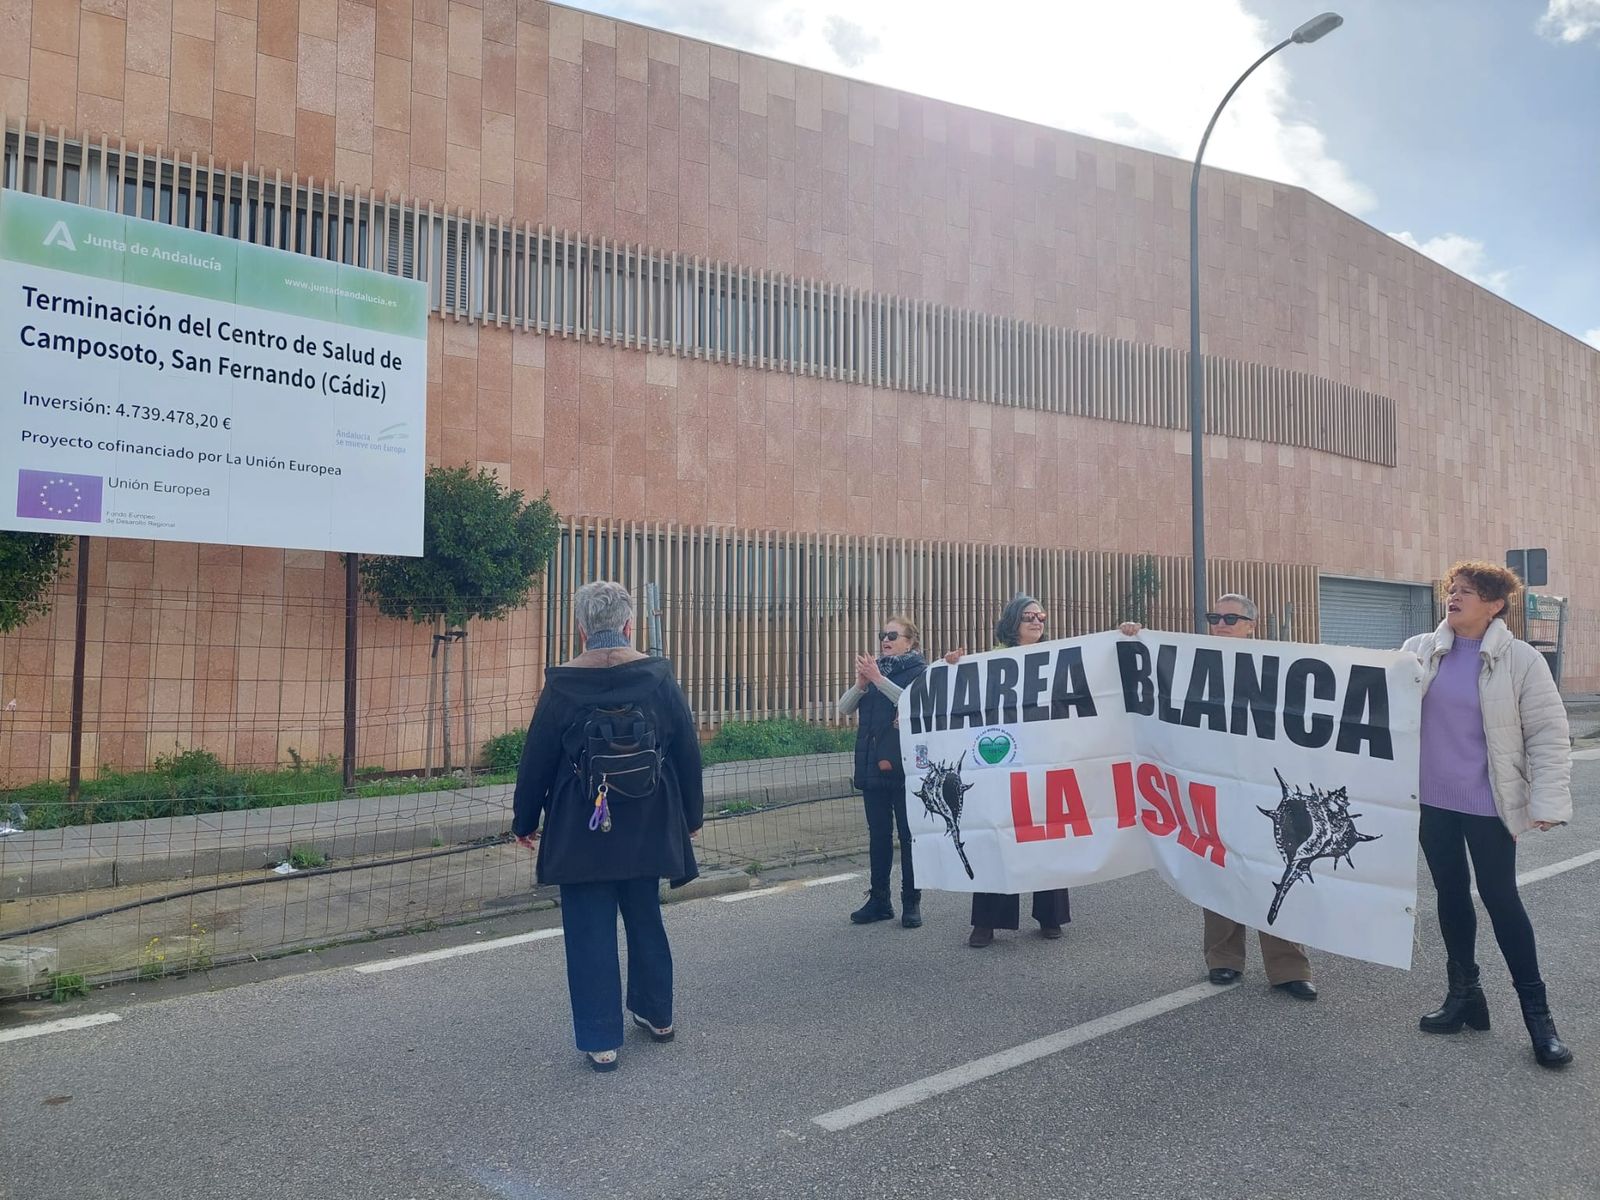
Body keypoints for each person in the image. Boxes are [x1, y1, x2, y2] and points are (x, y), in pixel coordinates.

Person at [511, 581, 704, 1073]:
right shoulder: (659, 677)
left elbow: (536, 760)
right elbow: (686, 750)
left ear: (581, 629)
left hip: (582, 830)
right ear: (629, 624)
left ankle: (601, 1041)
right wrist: (691, 819)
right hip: (648, 822)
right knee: (645, 919)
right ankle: (657, 1014)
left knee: (589, 931)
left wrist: (524, 820)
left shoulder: (561, 686)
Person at [1402, 561, 1573, 1068]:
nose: (1453, 598)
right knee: (1450, 897)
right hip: (1432, 800)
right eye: (1452, 590)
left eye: (1467, 592)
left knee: (1501, 901)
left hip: (1487, 803)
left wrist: (1546, 801)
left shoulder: (1519, 659)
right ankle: (1465, 997)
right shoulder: (1420, 649)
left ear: (1495, 605)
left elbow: (1546, 731)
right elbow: (1363, 687)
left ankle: (1539, 1019)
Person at [1121, 594, 1318, 1000]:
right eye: (1215, 617)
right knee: (1219, 869)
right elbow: (1149, 685)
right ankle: (1224, 960)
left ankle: (1288, 967)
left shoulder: (1274, 665)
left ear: (1252, 625)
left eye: (1232, 618)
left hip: (1266, 787)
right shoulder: (1192, 664)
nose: (1222, 624)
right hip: (1213, 787)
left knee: (1274, 870)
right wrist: (1135, 641)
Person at [945, 593, 1073, 948]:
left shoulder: (1056, 659)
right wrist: (952, 667)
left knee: (1046, 835)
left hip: (1044, 759)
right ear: (1012, 621)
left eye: (1041, 616)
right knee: (996, 836)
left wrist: (1126, 635)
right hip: (1001, 761)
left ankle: (1050, 916)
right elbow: (962, 698)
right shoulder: (990, 661)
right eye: (1028, 615)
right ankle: (986, 921)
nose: (1036, 621)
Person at [838, 615, 928, 928]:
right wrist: (861, 684)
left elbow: (913, 705)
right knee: (878, 835)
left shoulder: (919, 670)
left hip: (906, 765)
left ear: (910, 641)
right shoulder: (875, 670)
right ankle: (879, 899)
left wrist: (877, 679)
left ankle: (911, 901)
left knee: (908, 835)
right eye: (882, 634)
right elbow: (844, 708)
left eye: (892, 635)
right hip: (872, 763)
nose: (885, 640)